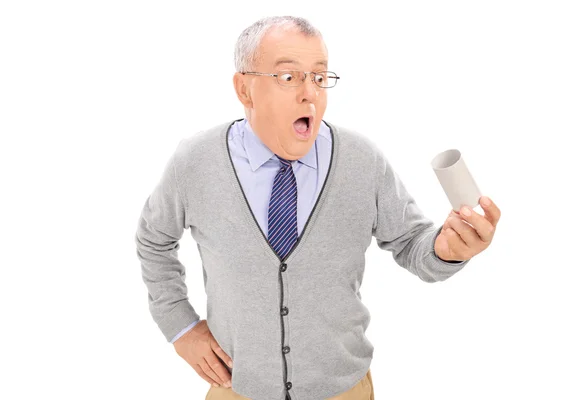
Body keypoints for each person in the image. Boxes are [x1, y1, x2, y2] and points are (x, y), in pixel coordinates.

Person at [134, 15, 501, 400]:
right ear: (245, 89)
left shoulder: (362, 159)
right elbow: (153, 239)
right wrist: (180, 326)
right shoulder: (196, 161)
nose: (310, 93)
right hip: (235, 388)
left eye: (319, 76)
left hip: (344, 389)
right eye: (289, 77)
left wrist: (446, 250)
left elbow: (412, 242)